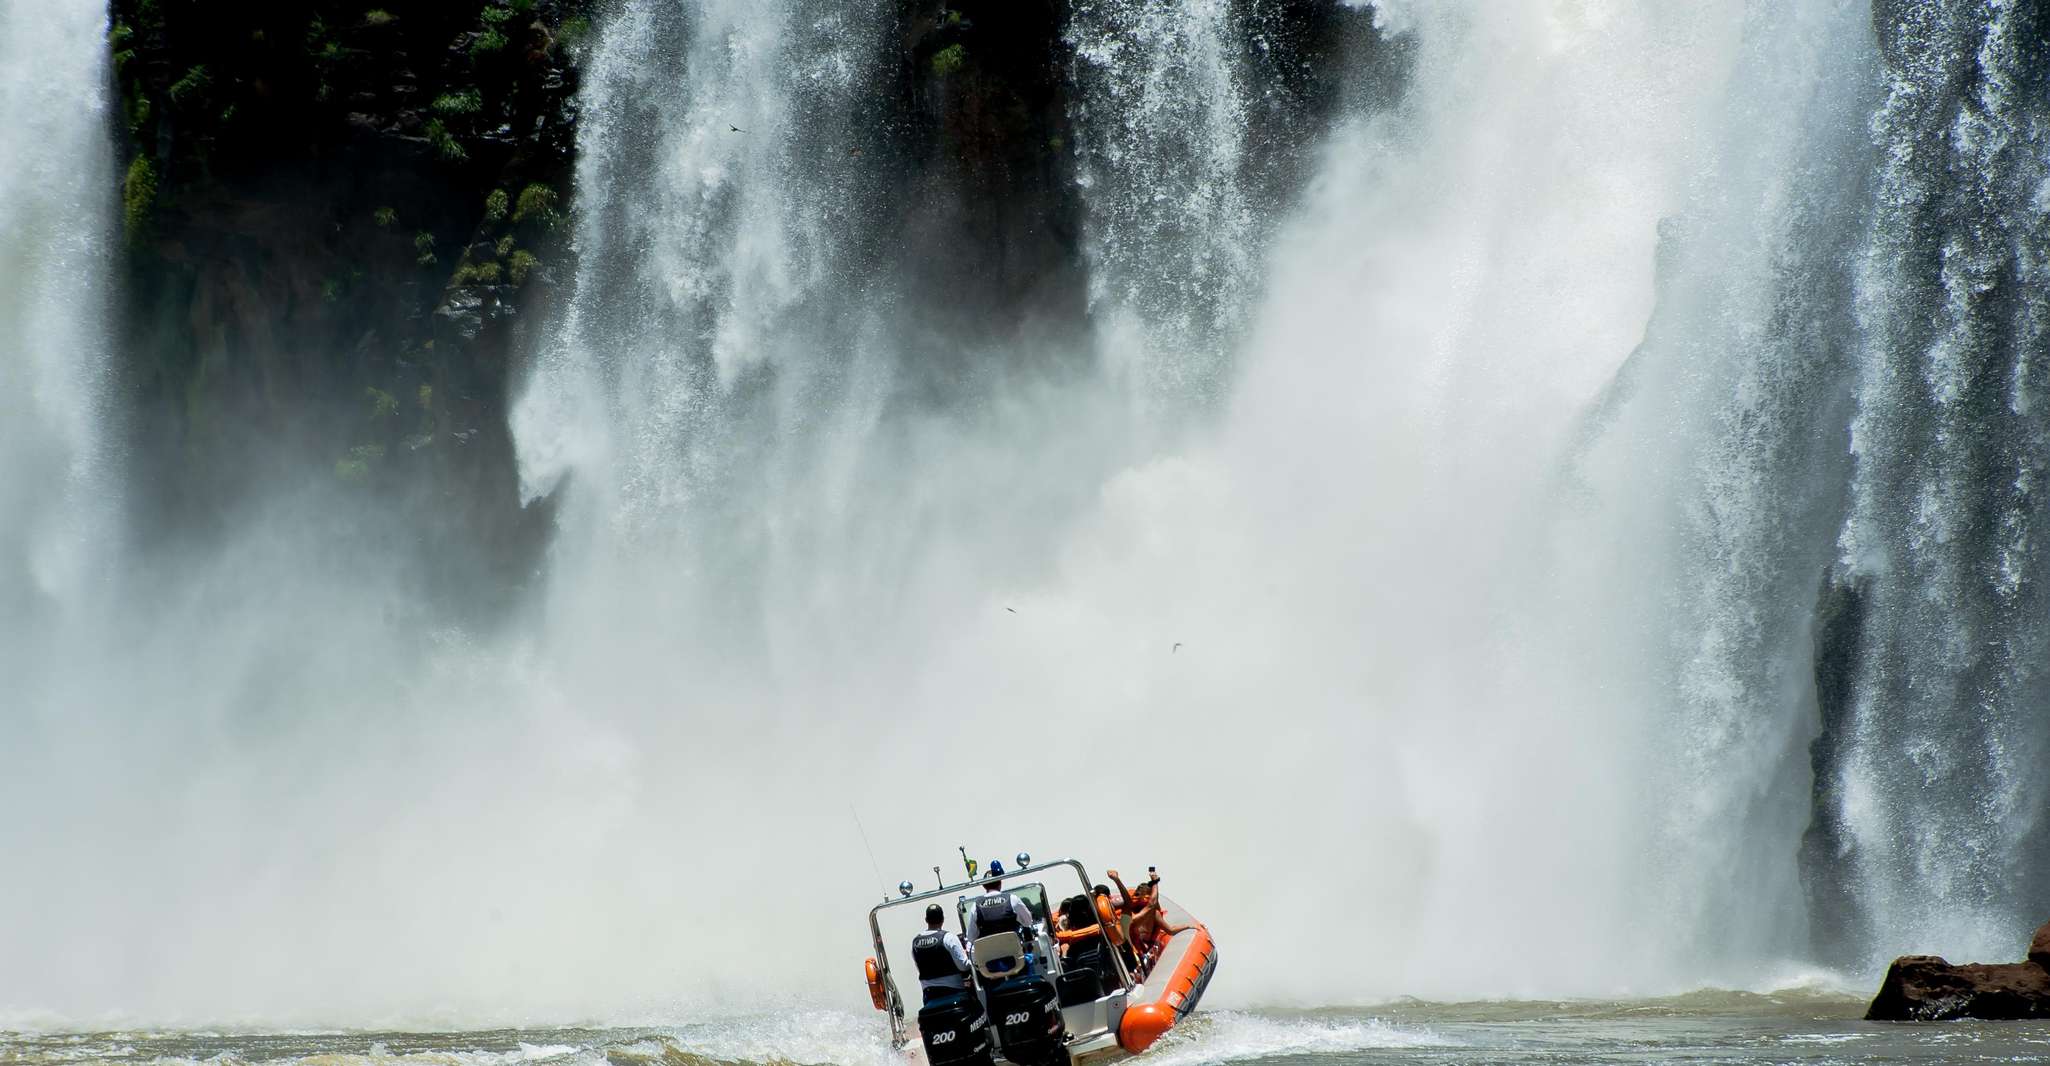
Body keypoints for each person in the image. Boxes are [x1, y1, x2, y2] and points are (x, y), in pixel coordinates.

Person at [910, 903, 974, 1004]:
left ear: (926, 920)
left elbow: (920, 968)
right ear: (943, 919)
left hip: (929, 995)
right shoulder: (949, 938)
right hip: (954, 992)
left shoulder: (915, 942)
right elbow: (964, 966)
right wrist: (973, 959)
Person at [963, 859, 1038, 942]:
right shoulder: (1012, 899)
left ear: (984, 886)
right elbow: (1028, 922)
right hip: (1014, 951)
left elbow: (971, 937)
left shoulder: (975, 906)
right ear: (1000, 882)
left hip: (989, 953)